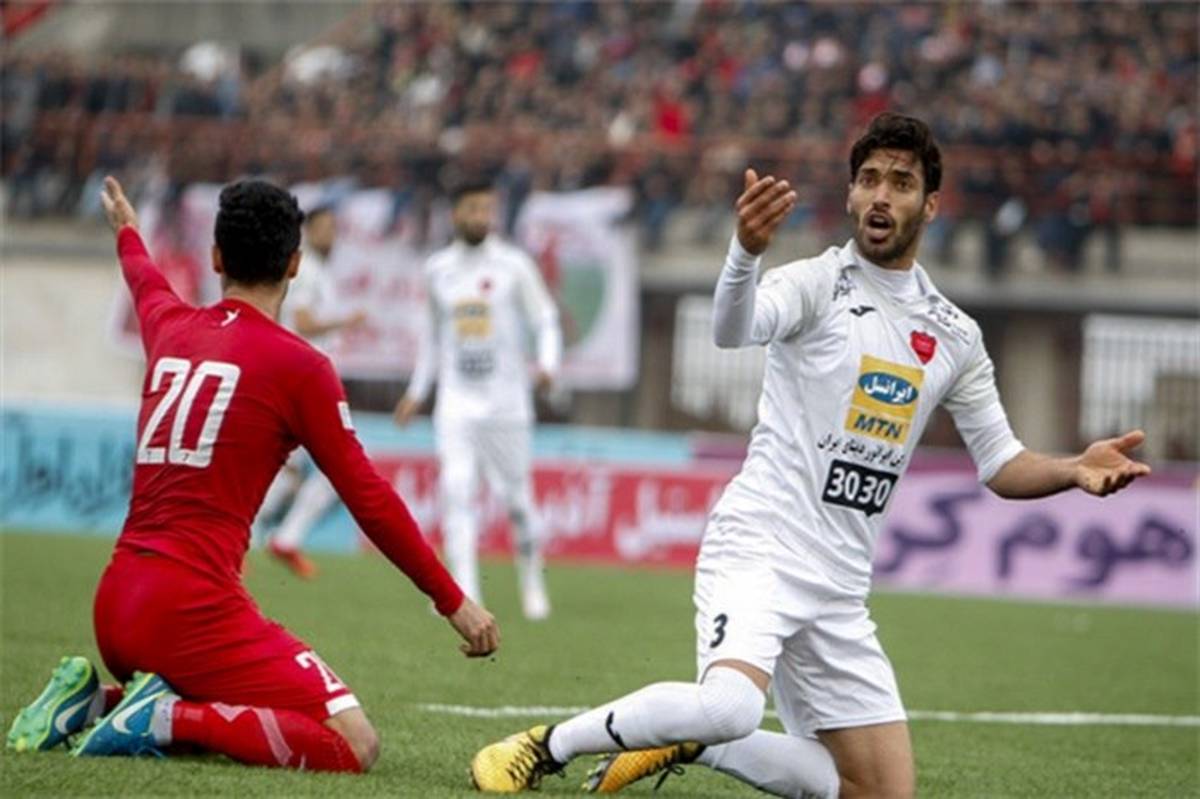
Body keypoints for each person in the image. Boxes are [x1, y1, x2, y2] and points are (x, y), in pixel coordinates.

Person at [469, 113, 1151, 797]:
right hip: (761, 545)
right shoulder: (816, 284)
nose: (881, 195)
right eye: (869, 179)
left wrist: (1071, 469)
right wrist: (744, 253)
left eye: (901, 183)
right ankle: (546, 746)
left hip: (840, 584)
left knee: (879, 791)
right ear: (851, 194)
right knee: (731, 706)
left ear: (930, 206)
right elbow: (732, 328)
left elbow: (1000, 462)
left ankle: (696, 742)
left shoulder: (955, 335)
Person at [5, 177, 498, 773]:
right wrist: (453, 602)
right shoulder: (300, 367)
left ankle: (93, 704)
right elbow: (368, 497)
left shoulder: (170, 326)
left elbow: (145, 281)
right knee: (352, 742)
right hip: (187, 614)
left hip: (114, 604)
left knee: (240, 704)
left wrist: (129, 233)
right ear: (294, 264)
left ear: (216, 258)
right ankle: (159, 717)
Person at [393, 179, 561, 621]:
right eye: (473, 209)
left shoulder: (513, 265)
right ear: (455, 214)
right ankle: (465, 593)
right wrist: (417, 391)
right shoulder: (438, 270)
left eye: (487, 209)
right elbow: (432, 337)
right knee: (456, 489)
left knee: (519, 503)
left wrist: (548, 364)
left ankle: (531, 580)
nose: (481, 217)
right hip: (457, 401)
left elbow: (545, 318)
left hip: (508, 402)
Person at [257, 203, 368, 579]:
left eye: (334, 228)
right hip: (301, 380)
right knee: (337, 465)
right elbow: (302, 323)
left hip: (307, 377)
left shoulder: (319, 272)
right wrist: (346, 321)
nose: (330, 235)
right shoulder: (306, 272)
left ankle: (278, 539)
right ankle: (262, 538)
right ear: (309, 232)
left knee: (295, 470)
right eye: (323, 228)